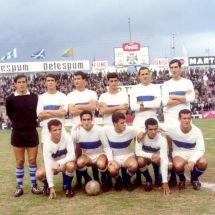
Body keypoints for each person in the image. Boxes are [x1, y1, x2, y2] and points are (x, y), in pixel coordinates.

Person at [6, 74, 42, 197]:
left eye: (24, 82)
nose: (22, 84)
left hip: (31, 132)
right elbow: (10, 114)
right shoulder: (10, 99)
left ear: (27, 83)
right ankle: (19, 187)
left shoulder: (34, 97)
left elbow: (36, 113)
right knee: (20, 161)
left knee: (32, 160)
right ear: (15, 84)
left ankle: (34, 186)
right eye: (19, 82)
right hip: (17, 133)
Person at [162, 59, 195, 186]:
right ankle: (173, 176)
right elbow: (165, 102)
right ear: (170, 69)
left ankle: (191, 174)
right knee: (170, 149)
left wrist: (173, 97)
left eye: (176, 67)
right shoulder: (166, 84)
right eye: (172, 67)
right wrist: (183, 98)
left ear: (180, 68)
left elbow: (191, 98)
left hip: (184, 119)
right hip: (170, 119)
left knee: (187, 146)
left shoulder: (187, 82)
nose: (174, 69)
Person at [67, 71, 98, 185]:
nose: (76, 81)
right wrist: (86, 108)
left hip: (90, 126)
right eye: (74, 79)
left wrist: (78, 106)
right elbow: (71, 111)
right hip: (76, 126)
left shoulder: (91, 93)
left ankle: (96, 178)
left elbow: (93, 107)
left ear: (84, 80)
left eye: (78, 78)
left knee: (94, 151)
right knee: (77, 153)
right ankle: (79, 180)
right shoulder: (70, 95)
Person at [165, 109, 207, 190]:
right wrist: (142, 131)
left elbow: (201, 149)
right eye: (184, 118)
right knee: (177, 165)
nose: (187, 121)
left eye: (189, 118)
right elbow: (157, 126)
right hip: (179, 153)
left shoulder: (197, 131)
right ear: (179, 119)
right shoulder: (172, 129)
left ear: (191, 119)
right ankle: (182, 179)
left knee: (203, 162)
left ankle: (194, 179)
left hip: (193, 152)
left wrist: (192, 160)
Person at [71, 110, 113, 192]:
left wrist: (110, 159)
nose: (86, 122)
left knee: (101, 164)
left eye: (88, 119)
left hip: (99, 154)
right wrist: (74, 130)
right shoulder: (77, 131)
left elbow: (106, 147)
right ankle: (87, 178)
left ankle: (104, 180)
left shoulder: (99, 130)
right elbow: (72, 143)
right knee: (79, 163)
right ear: (80, 121)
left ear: (92, 119)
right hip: (87, 156)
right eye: (84, 120)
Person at [36, 119, 76, 198]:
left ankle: (68, 187)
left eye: (59, 129)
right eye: (55, 130)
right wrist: (52, 186)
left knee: (71, 165)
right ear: (49, 131)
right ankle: (47, 185)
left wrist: (59, 162)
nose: (58, 132)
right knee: (39, 174)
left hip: (64, 163)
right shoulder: (47, 144)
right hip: (52, 165)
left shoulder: (67, 137)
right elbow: (47, 165)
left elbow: (72, 155)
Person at [104, 112, 141, 192]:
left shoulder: (130, 130)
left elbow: (141, 128)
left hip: (126, 156)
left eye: (125, 122)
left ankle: (126, 180)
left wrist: (141, 132)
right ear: (115, 124)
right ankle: (118, 180)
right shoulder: (107, 130)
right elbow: (96, 129)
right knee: (112, 170)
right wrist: (110, 160)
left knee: (134, 165)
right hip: (114, 157)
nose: (125, 124)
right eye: (122, 123)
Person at [135, 118, 171, 195]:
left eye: (155, 129)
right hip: (146, 157)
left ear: (158, 128)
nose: (153, 132)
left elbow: (164, 159)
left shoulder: (162, 138)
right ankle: (149, 179)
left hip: (158, 158)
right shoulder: (140, 135)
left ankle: (159, 179)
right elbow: (137, 152)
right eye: (150, 129)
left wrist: (165, 181)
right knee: (140, 161)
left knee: (169, 165)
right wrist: (151, 155)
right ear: (146, 129)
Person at [37, 74, 68, 145]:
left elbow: (63, 113)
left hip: (60, 130)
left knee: (63, 154)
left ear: (56, 82)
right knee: (47, 155)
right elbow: (40, 115)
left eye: (52, 80)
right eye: (48, 81)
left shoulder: (63, 96)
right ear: (45, 83)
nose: (50, 82)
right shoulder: (41, 97)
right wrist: (57, 111)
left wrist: (47, 111)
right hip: (46, 130)